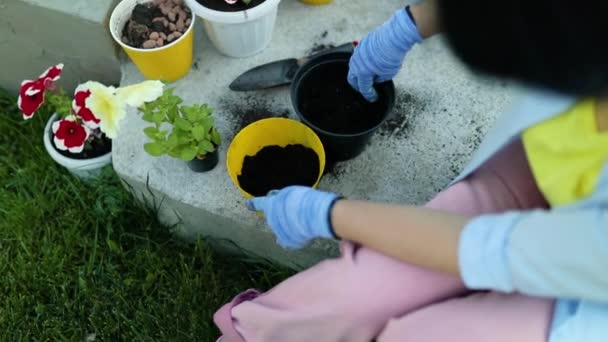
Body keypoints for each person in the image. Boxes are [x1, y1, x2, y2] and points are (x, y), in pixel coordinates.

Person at [214, 0, 608, 340]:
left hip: (591, 292)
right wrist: (409, 25)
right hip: (553, 172)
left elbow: (484, 248)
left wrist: (328, 214)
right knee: (359, 289)